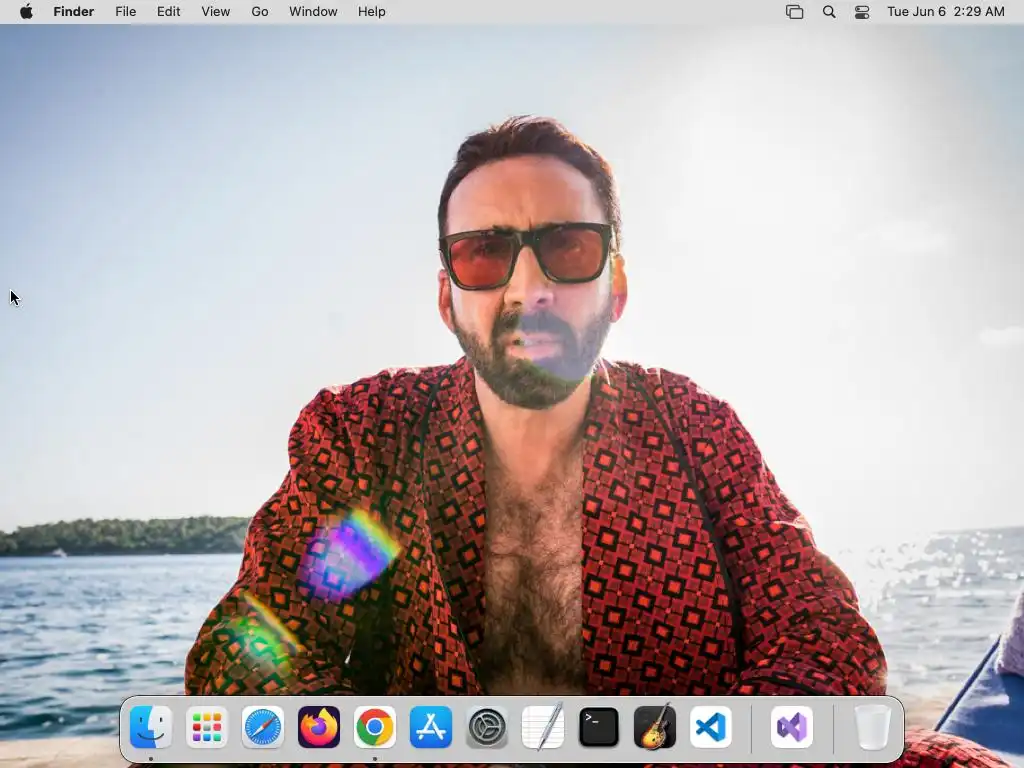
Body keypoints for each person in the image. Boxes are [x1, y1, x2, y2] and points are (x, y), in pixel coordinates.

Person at [176, 116, 1010, 768]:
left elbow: (820, 638)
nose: (527, 286)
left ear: (616, 285)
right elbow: (254, 659)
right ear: (446, 297)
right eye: (484, 253)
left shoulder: (696, 431)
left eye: (567, 247)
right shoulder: (373, 446)